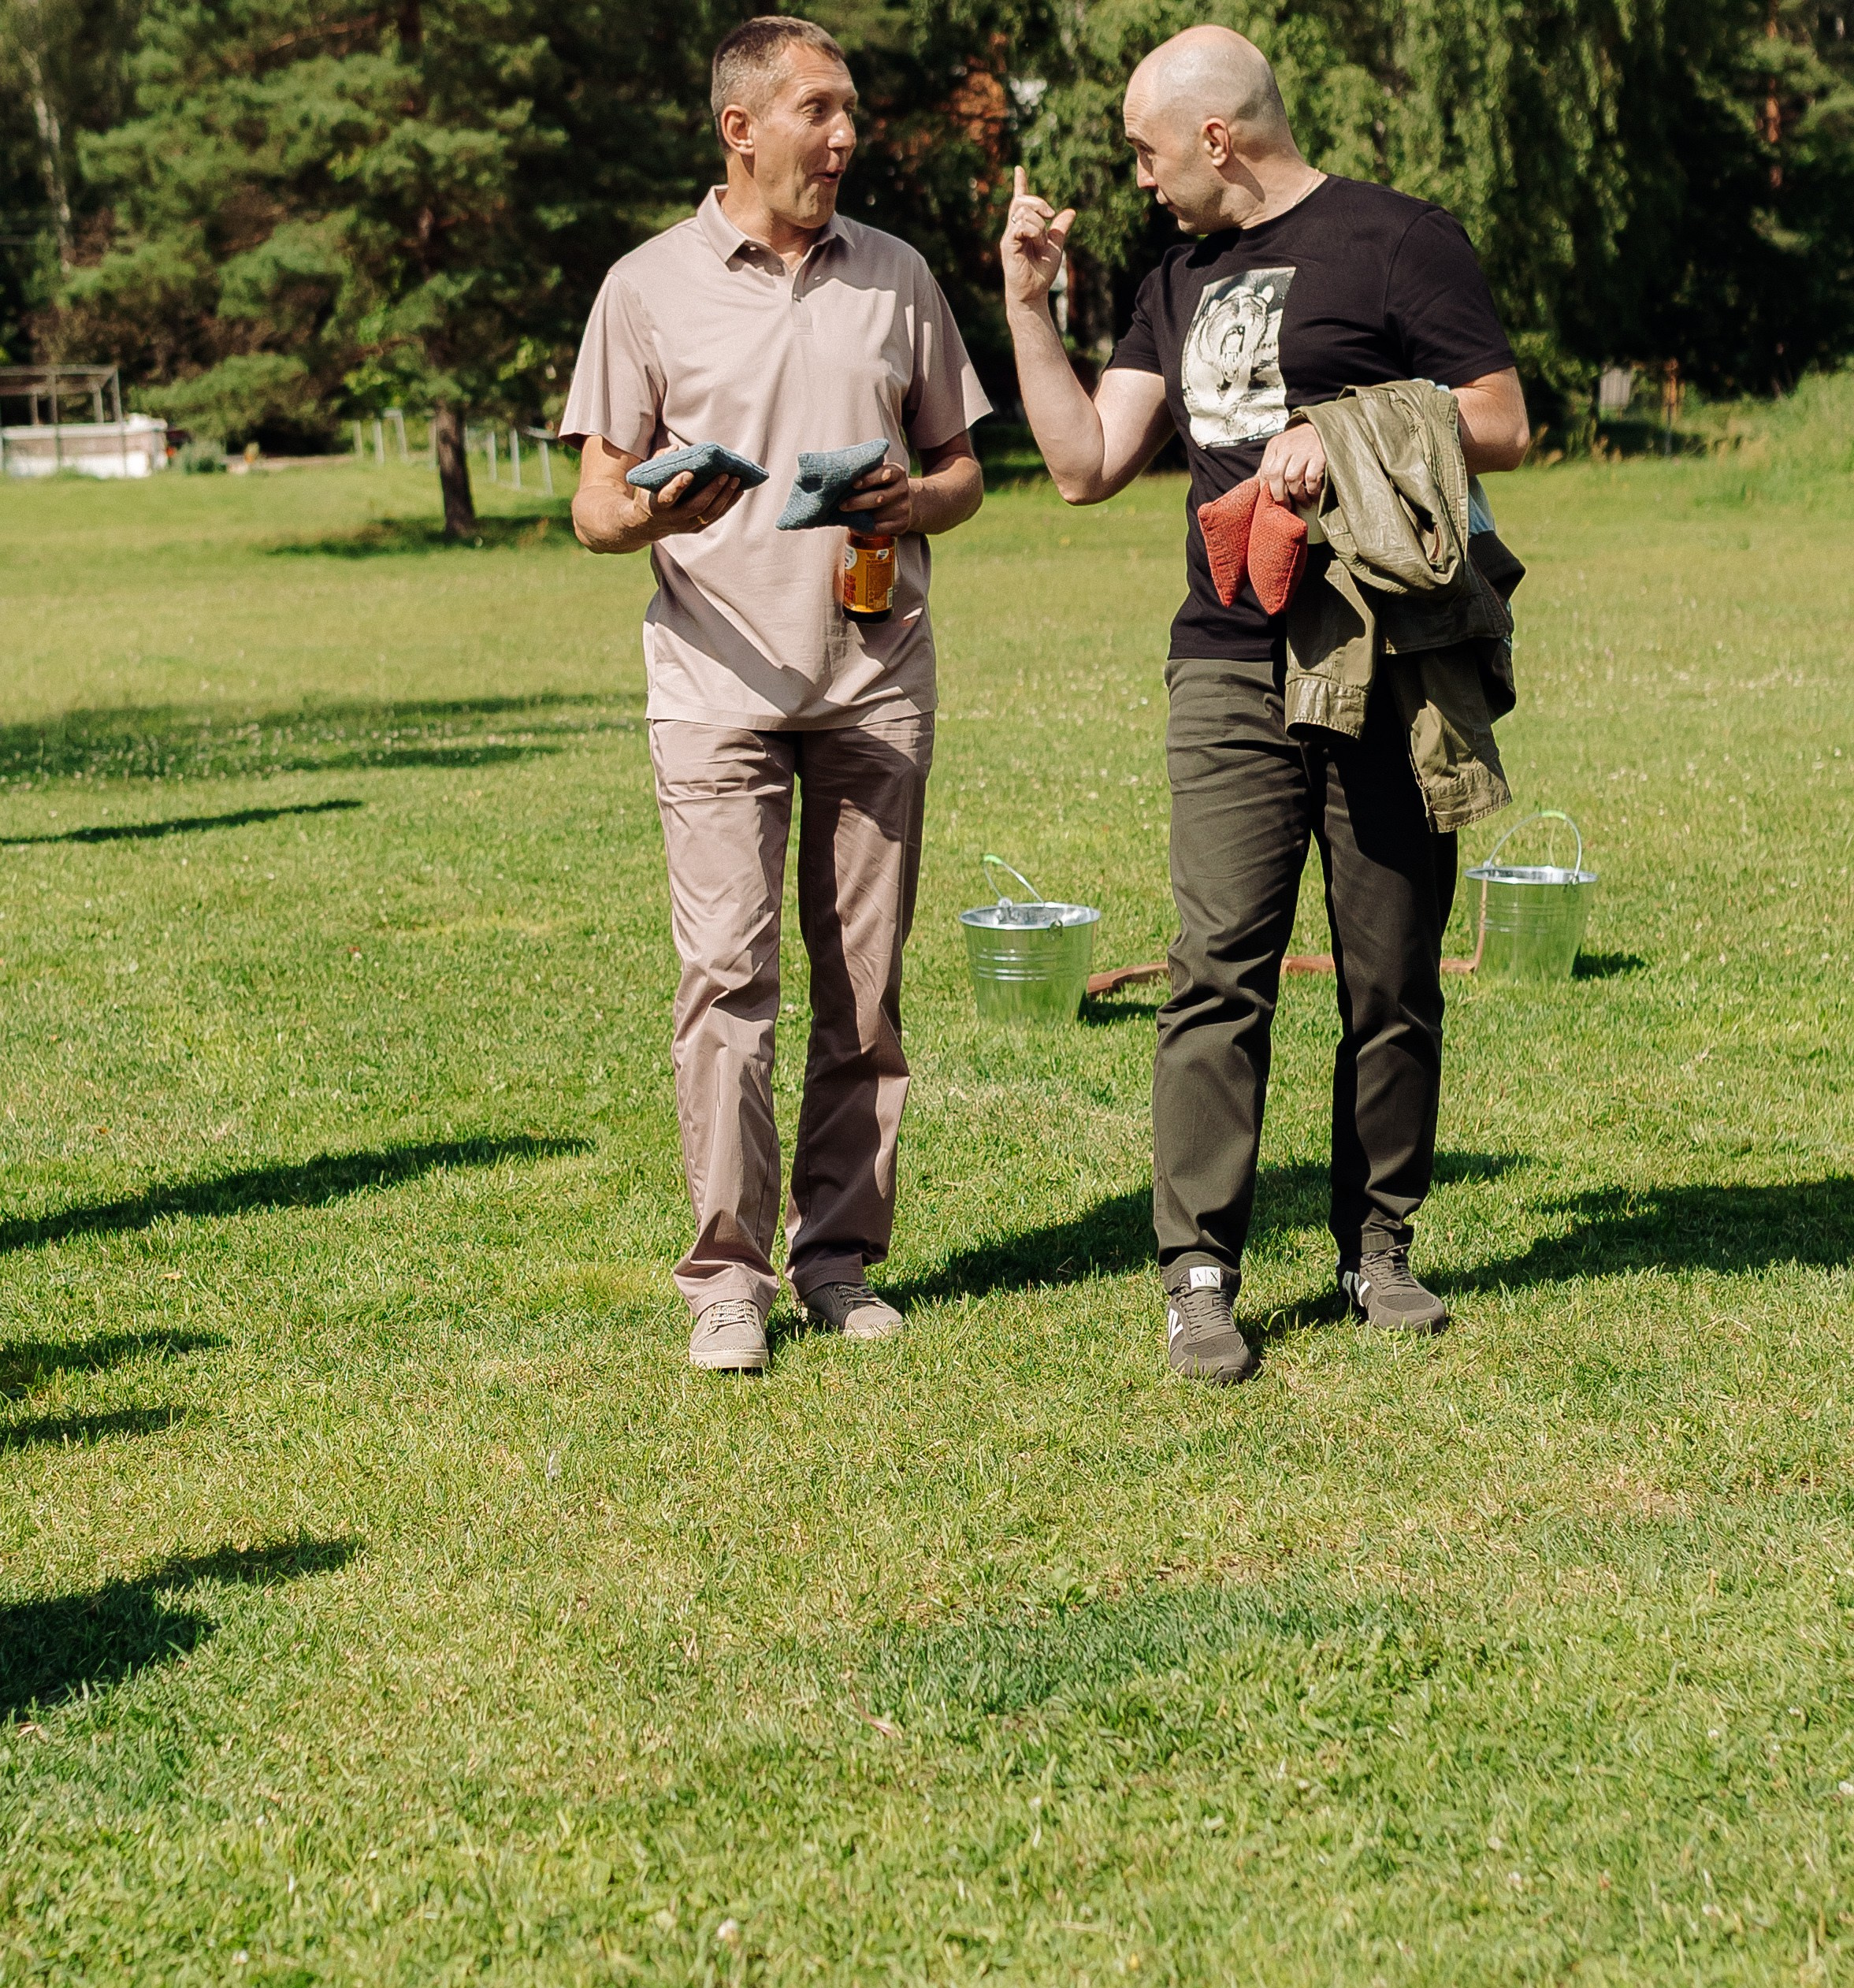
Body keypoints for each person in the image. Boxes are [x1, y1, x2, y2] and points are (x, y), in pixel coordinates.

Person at [1002, 27, 1529, 1381]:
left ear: (1217, 137)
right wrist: (1023, 306)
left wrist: (1349, 424)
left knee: (1389, 968)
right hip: (1226, 654)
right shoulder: (1167, 277)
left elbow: (1502, 419)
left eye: (1144, 148)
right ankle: (1198, 1269)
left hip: (1388, 653)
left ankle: (1379, 1245)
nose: (1136, 176)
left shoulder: (1398, 240)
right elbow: (1083, 465)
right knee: (1216, 965)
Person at [559, 14, 990, 1373]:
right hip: (713, 684)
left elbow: (963, 472)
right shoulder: (643, 286)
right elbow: (590, 506)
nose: (846, 134)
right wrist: (647, 510)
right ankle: (726, 1280)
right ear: (739, 128)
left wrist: (910, 498)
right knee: (725, 980)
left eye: (850, 109)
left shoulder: (898, 275)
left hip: (873, 677)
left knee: (862, 992)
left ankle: (838, 1261)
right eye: (818, 109)